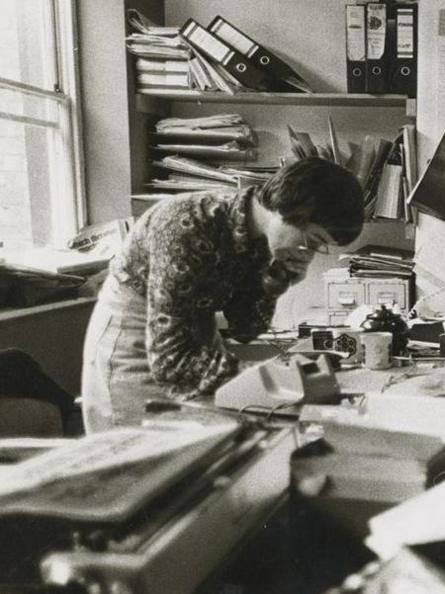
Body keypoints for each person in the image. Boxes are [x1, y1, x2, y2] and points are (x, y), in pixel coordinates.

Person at [80, 157, 364, 432]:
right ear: (291, 210)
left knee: (217, 441)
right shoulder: (186, 226)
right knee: (147, 461)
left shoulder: (262, 238)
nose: (309, 256)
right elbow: (172, 363)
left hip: (191, 336)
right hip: (134, 338)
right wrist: (279, 377)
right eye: (312, 243)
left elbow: (245, 328)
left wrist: (277, 282)